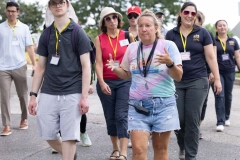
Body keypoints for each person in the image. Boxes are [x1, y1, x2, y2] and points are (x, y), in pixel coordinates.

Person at [106, 9, 183, 160]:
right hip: (138, 105)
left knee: (160, 149)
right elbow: (126, 74)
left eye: (148, 25)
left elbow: (178, 76)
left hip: (164, 104)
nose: (143, 29)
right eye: (141, 26)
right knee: (138, 149)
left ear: (156, 28)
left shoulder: (168, 46)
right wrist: (115, 69)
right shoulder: (132, 48)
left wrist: (170, 63)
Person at [28, 0, 92, 159]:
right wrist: (33, 96)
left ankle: (68, 155)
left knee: (70, 135)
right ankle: (70, 154)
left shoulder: (78, 32)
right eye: (54, 3)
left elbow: (86, 66)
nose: (58, 5)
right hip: (49, 90)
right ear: (49, 7)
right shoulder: (46, 34)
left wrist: (84, 97)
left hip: (72, 91)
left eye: (61, 2)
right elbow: (40, 67)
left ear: (68, 4)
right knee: (48, 133)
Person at [165, 2, 222, 160]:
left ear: (196, 16)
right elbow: (165, 58)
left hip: (198, 79)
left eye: (193, 13)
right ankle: (182, 145)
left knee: (193, 118)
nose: (190, 16)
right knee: (179, 118)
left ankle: (191, 156)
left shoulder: (203, 33)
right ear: (181, 13)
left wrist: (217, 79)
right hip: (176, 80)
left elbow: (211, 57)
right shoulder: (171, 34)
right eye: (187, 12)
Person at [95, 7, 134, 160]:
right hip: (107, 81)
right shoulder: (99, 39)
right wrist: (101, 82)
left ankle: (124, 151)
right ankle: (115, 149)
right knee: (110, 117)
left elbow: (133, 58)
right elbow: (98, 63)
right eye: (108, 18)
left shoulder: (127, 36)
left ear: (118, 19)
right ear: (103, 22)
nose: (112, 21)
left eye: (114, 17)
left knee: (121, 115)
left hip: (124, 80)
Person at [0, 1, 36, 136]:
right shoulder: (1, 27)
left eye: (13, 11)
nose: (11, 13)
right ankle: (6, 125)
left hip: (20, 65)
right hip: (3, 67)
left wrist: (35, 64)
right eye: (8, 11)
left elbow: (29, 47)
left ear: (18, 12)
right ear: (6, 12)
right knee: (4, 97)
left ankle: (24, 118)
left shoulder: (24, 28)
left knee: (22, 95)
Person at [213, 20, 240, 132]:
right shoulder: (213, 41)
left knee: (228, 95)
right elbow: (212, 56)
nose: (222, 27)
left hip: (230, 71)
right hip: (218, 71)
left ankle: (226, 116)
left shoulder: (233, 41)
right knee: (219, 95)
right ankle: (220, 121)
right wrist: (212, 72)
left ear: (227, 28)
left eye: (224, 25)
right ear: (216, 28)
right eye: (220, 26)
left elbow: (237, 57)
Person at [195, 11, 216, 139]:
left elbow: (213, 56)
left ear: (201, 21)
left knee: (202, 102)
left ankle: (197, 127)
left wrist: (213, 72)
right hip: (185, 73)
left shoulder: (207, 34)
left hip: (205, 73)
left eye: (195, 19)